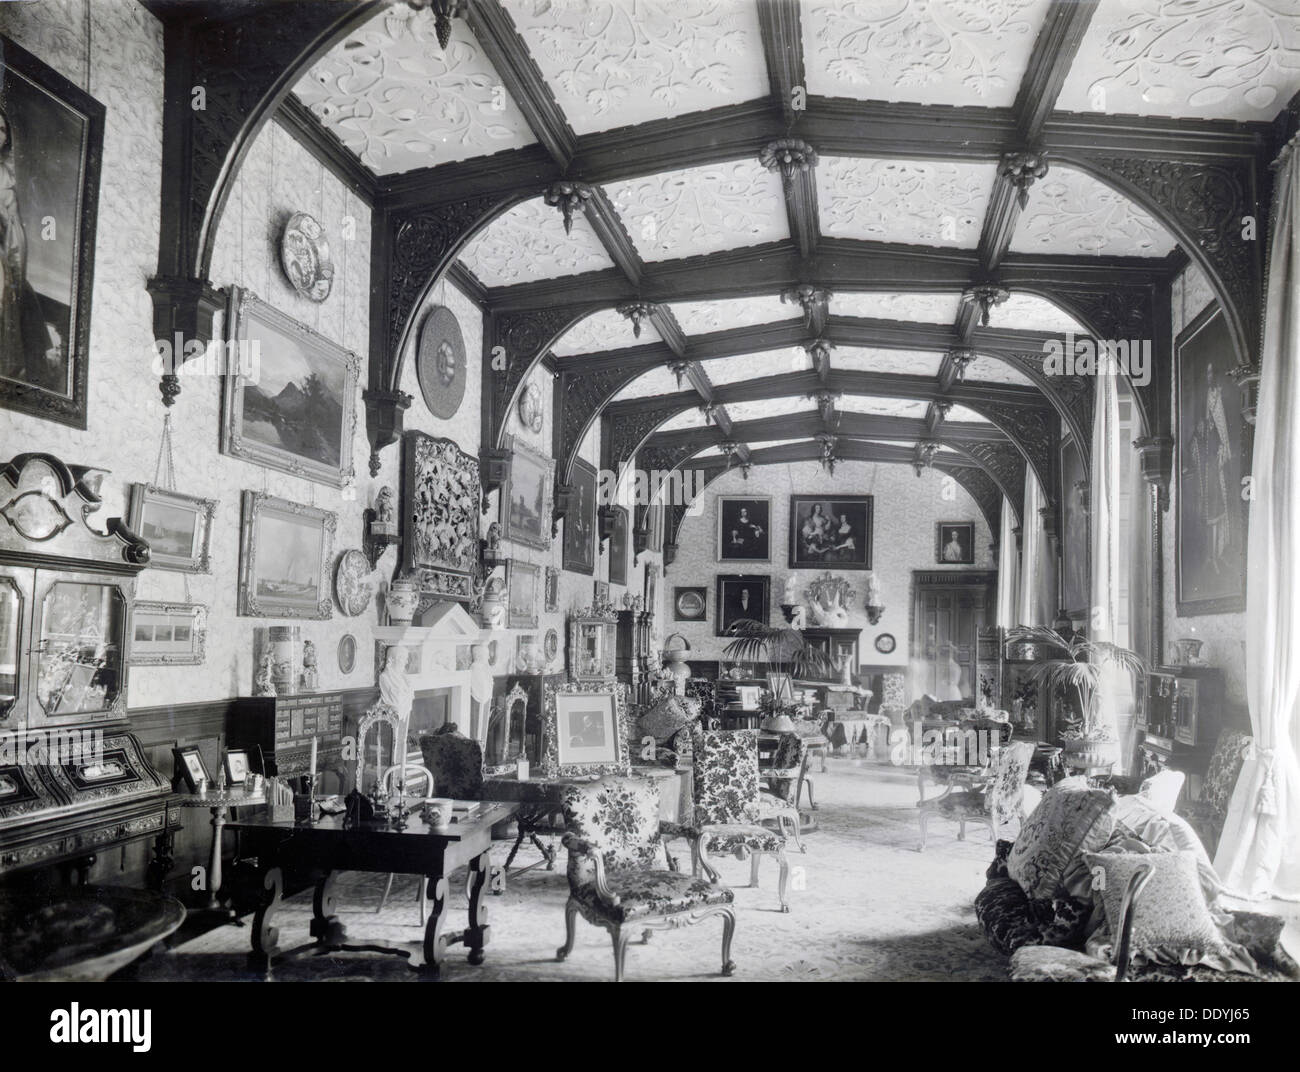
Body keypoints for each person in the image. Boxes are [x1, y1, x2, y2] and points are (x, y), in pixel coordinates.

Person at [0, 105, 59, 389]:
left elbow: (11, 218)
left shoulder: (4, 173)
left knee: (19, 293)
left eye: (1, 130)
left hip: (7, 242)